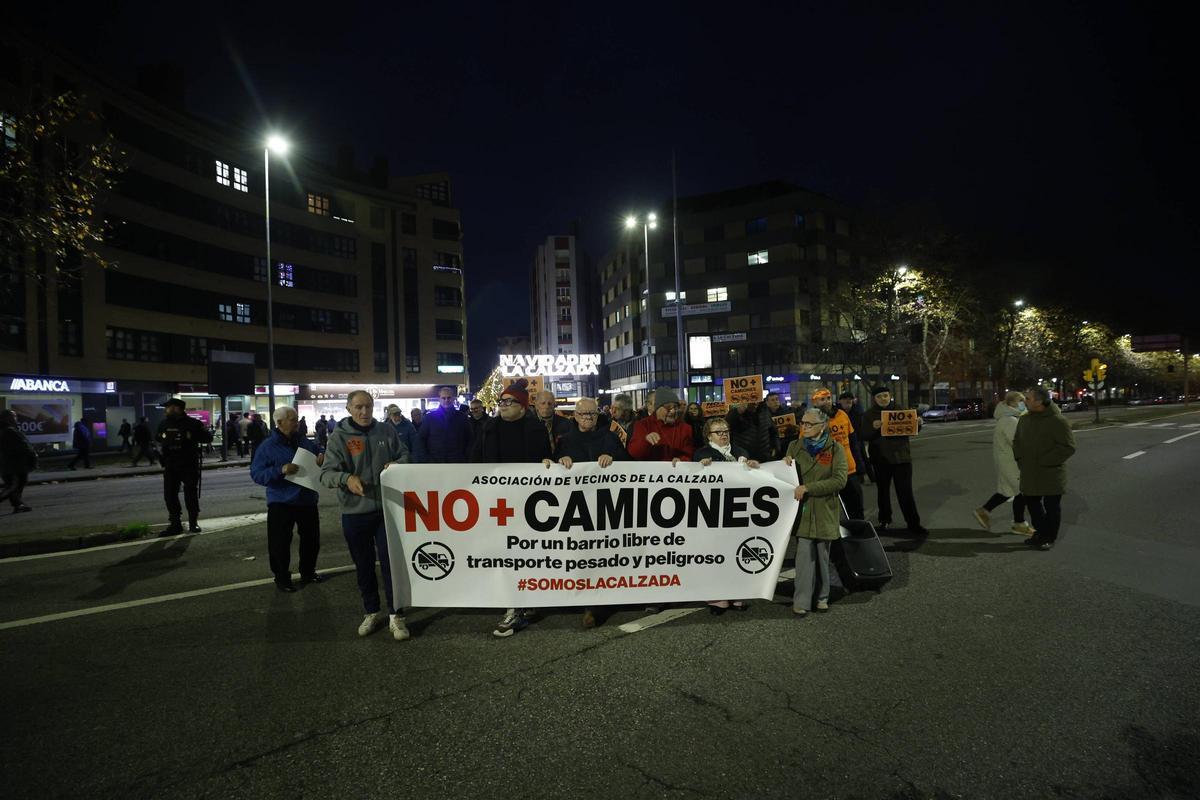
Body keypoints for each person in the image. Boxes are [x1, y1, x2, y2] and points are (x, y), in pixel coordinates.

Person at [320, 390, 412, 639]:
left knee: (392, 564)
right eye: (359, 407)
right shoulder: (339, 437)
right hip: (354, 512)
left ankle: (396, 615)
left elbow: (404, 454)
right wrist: (345, 478)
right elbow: (326, 474)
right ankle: (371, 610)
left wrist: (399, 464)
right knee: (364, 565)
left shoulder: (385, 431)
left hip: (386, 510)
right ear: (349, 409)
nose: (364, 412)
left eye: (368, 406)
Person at [470, 379, 552, 637]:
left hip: (529, 503)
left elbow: (544, 458)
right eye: (501, 402)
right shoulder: (489, 428)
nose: (503, 406)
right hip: (498, 503)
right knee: (507, 554)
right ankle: (513, 607)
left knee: (526, 554)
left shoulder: (535, 429)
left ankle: (524, 604)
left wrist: (549, 461)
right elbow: (473, 459)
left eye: (509, 402)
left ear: (522, 406)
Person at [547, 397, 627, 629]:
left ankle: (598, 604)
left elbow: (630, 462)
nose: (588, 418)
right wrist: (560, 460)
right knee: (584, 556)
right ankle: (587, 604)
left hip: (607, 505)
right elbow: (551, 464)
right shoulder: (566, 440)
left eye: (592, 414)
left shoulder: (610, 437)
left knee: (605, 556)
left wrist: (614, 458)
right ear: (575, 416)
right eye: (583, 415)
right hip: (577, 506)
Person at [251, 407, 324, 592]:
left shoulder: (304, 441)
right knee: (280, 542)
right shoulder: (267, 446)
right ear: (280, 423)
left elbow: (318, 453)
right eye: (292, 419)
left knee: (311, 539)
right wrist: (280, 470)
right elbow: (257, 474)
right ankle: (282, 577)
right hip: (281, 501)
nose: (296, 422)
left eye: (296, 419)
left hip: (307, 498)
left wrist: (321, 456)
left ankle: (308, 571)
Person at [784, 407, 848, 616]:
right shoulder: (794, 446)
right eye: (803, 423)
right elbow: (785, 477)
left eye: (809, 424)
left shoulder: (835, 449)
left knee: (822, 556)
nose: (804, 427)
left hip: (824, 510)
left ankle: (822, 596)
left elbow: (840, 480)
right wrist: (783, 465)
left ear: (822, 426)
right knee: (803, 558)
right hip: (802, 512)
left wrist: (810, 488)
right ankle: (801, 601)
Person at [696, 417, 761, 613]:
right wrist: (699, 467)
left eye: (725, 431)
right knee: (716, 553)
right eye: (718, 432)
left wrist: (753, 466)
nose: (723, 434)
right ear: (709, 435)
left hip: (738, 509)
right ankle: (717, 597)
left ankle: (737, 594)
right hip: (713, 511)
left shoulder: (741, 452)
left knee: (736, 551)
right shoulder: (702, 454)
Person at [1013, 386, 1076, 551]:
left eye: (1028, 399)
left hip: (1051, 472)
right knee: (1033, 505)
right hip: (1029, 471)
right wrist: (1020, 459)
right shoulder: (1025, 419)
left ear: (1039, 402)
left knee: (1052, 507)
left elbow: (1067, 447)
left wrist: (1045, 461)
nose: (1024, 401)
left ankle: (1049, 536)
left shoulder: (1057, 421)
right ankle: (1040, 532)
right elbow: (1017, 441)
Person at [861, 386, 927, 536]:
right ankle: (884, 520)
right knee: (883, 492)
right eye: (879, 396)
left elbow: (911, 429)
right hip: (880, 459)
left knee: (905, 493)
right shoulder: (869, 415)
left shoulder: (901, 411)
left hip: (901, 458)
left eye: (885, 395)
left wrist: (919, 423)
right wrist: (875, 428)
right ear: (874, 399)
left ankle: (913, 523)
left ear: (890, 396)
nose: (883, 398)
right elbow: (864, 435)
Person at [973, 390, 1035, 536]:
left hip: (1008, 461)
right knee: (1023, 491)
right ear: (1011, 403)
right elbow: (1019, 444)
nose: (1023, 404)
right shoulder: (1010, 421)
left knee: (1007, 492)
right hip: (1012, 463)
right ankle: (1019, 524)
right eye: (1021, 401)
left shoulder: (1010, 418)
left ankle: (983, 511)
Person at [157, 398, 212, 534]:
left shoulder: (193, 423)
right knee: (170, 494)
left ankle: (193, 523)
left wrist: (191, 435)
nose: (166, 410)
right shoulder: (164, 423)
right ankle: (175, 524)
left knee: (190, 493)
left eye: (168, 407)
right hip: (171, 462)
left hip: (188, 463)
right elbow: (158, 437)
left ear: (177, 408)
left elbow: (208, 438)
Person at [811, 389, 865, 519]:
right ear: (815, 402)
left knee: (856, 504)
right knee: (829, 509)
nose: (826, 402)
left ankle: (858, 531)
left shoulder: (842, 415)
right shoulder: (810, 420)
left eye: (828, 398)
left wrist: (860, 464)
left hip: (848, 469)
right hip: (826, 472)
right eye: (822, 399)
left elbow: (853, 442)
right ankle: (834, 536)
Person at [628, 389, 694, 463]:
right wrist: (645, 440)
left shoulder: (685, 428)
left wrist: (682, 460)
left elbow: (689, 454)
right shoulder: (642, 425)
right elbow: (634, 453)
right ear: (657, 408)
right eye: (668, 407)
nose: (673, 411)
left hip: (676, 472)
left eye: (675, 407)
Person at [415, 386, 472, 463]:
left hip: (457, 462)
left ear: (453, 399)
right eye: (443, 398)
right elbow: (421, 439)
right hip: (435, 463)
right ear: (439, 399)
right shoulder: (430, 417)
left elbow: (470, 439)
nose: (446, 400)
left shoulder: (462, 417)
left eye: (449, 398)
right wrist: (426, 459)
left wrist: (465, 457)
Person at [0, 409, 36, 513]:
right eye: (13, 416)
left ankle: (18, 504)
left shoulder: (5, 430)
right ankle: (18, 504)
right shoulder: (9, 430)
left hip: (9, 463)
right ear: (7, 418)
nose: (16, 418)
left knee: (15, 484)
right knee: (14, 484)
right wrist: (32, 456)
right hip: (14, 464)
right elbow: (24, 446)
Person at [726, 398, 777, 463]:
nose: (755, 403)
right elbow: (726, 425)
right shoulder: (736, 413)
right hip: (745, 458)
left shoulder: (765, 411)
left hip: (765, 457)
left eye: (756, 400)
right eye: (752, 401)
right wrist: (738, 411)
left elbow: (773, 432)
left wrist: (776, 449)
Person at [838, 392, 873, 483]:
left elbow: (862, 425)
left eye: (850, 398)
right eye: (845, 398)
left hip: (857, 439)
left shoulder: (858, 411)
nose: (848, 400)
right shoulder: (837, 413)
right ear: (840, 401)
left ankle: (871, 477)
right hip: (843, 441)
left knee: (863, 458)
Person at [766, 392, 799, 457]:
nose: (776, 401)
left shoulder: (787, 412)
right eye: (772, 400)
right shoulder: (764, 415)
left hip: (786, 444)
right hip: (773, 446)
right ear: (767, 403)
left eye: (777, 399)